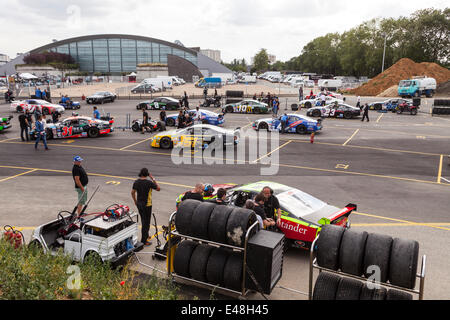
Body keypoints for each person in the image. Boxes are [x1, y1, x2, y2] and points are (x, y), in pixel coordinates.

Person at [131, 168, 161, 246]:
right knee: (146, 223)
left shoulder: (136, 182)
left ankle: (146, 236)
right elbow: (158, 188)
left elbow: (132, 192)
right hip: (147, 205)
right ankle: (144, 241)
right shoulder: (149, 182)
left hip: (139, 205)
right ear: (147, 174)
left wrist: (135, 201)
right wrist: (153, 179)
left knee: (144, 220)